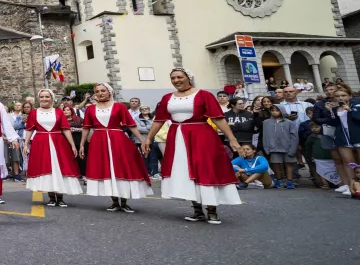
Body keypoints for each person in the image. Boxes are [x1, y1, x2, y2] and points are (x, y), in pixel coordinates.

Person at [145, 68, 241, 225]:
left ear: (188, 78)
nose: (176, 80)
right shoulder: (167, 98)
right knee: (185, 171)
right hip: (177, 137)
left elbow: (218, 118)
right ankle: (197, 210)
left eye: (179, 77)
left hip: (201, 136)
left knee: (204, 169)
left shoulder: (203, 95)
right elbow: (158, 120)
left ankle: (212, 211)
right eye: (173, 78)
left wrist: (232, 138)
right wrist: (148, 138)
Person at [81, 82, 152, 212]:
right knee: (106, 168)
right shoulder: (90, 109)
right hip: (99, 140)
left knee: (121, 167)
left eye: (103, 90)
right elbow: (86, 128)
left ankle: (124, 201)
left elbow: (131, 125)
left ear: (109, 91)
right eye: (97, 91)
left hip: (118, 139)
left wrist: (142, 140)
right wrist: (81, 144)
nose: (100, 93)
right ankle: (114, 201)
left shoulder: (119, 106)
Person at [23, 88, 82, 207]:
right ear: (39, 99)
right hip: (41, 142)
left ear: (52, 98)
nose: (44, 99)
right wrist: (26, 144)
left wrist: (72, 145)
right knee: (45, 168)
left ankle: (60, 198)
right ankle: (51, 197)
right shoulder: (34, 113)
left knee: (59, 167)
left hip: (58, 142)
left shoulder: (58, 112)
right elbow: (29, 129)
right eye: (42, 97)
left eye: (47, 97)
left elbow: (65, 129)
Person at [261, 105, 299, 188]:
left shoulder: (289, 122)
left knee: (289, 164)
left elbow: (294, 137)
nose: (274, 112)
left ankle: (289, 181)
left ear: (282, 111)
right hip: (273, 147)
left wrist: (293, 149)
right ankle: (279, 180)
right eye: (272, 110)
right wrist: (266, 147)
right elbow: (265, 136)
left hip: (287, 147)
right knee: (275, 164)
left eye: (277, 110)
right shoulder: (266, 122)